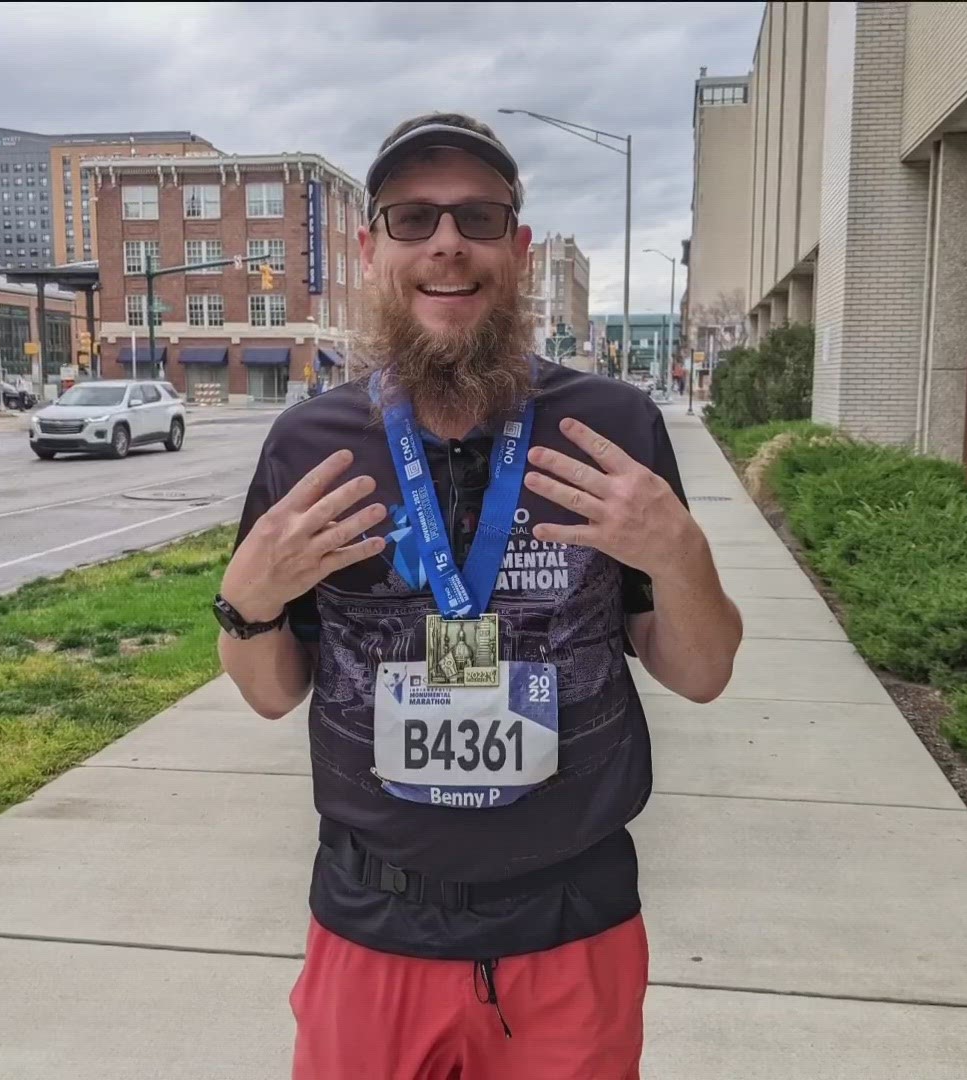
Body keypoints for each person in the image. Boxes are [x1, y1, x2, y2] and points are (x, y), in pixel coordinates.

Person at [214, 112, 744, 1080]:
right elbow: (269, 689)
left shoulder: (611, 426)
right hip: (373, 922)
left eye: (479, 217)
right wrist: (242, 603)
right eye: (414, 218)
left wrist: (681, 556)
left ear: (520, 249)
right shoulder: (310, 443)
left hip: (571, 924)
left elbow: (702, 673)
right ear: (373, 248)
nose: (447, 242)